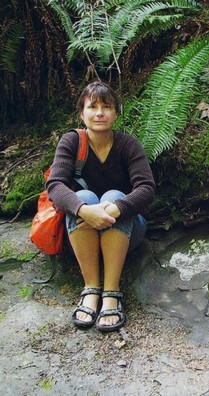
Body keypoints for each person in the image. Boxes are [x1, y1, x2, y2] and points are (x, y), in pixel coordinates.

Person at [47, 81, 155, 331]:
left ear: (116, 113)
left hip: (126, 230)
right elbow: (55, 186)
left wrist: (116, 208)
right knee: (83, 197)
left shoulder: (129, 145)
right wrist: (85, 210)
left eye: (107, 107)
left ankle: (111, 292)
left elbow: (146, 189)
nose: (99, 113)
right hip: (82, 228)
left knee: (115, 195)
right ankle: (91, 288)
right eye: (92, 106)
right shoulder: (71, 141)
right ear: (82, 113)